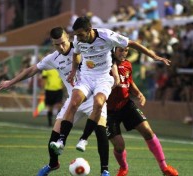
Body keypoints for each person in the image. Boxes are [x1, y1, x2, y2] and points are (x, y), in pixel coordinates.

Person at [0, 27, 113, 176]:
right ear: (52, 44)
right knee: (54, 137)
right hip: (74, 100)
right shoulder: (53, 58)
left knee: (101, 133)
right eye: (57, 45)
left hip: (93, 97)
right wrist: (11, 82)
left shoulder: (82, 47)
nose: (61, 47)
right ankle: (53, 164)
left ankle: (104, 171)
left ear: (68, 37)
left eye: (63, 43)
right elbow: (32, 70)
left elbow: (104, 57)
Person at [50, 16, 170, 158]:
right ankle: (61, 141)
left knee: (99, 103)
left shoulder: (106, 35)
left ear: (89, 30)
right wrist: (74, 71)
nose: (78, 38)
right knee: (74, 102)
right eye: (76, 35)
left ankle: (83, 139)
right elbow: (76, 54)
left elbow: (132, 43)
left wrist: (154, 56)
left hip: (103, 77)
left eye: (81, 34)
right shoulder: (77, 39)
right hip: (86, 76)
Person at [79, 46, 179, 176]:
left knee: (148, 131)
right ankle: (123, 168)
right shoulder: (104, 66)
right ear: (113, 51)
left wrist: (138, 93)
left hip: (126, 105)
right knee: (119, 146)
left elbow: (129, 82)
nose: (123, 53)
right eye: (120, 50)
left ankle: (164, 167)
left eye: (126, 50)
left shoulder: (128, 65)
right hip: (108, 111)